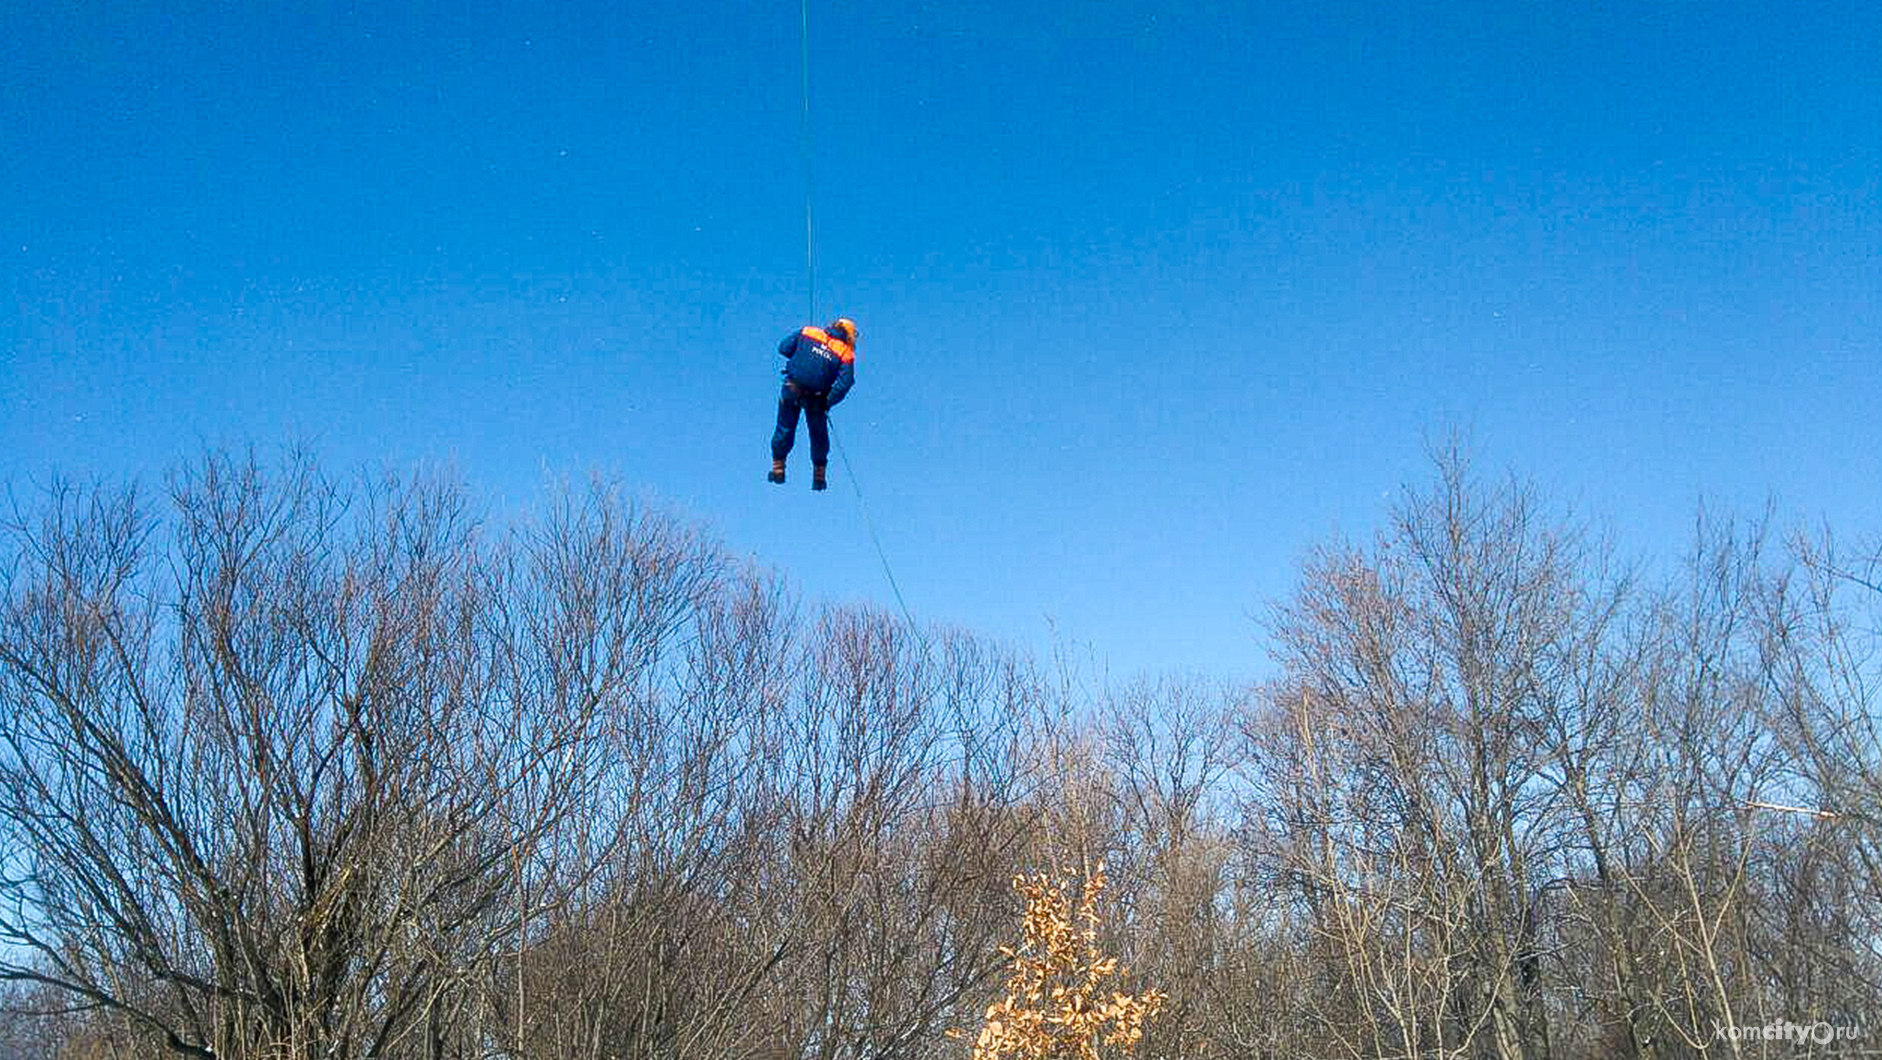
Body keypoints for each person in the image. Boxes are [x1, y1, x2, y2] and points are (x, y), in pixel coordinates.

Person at [769, 317, 858, 491]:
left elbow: (784, 348)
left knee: (784, 426)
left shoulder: (808, 331)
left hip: (792, 388)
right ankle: (819, 476)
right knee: (818, 435)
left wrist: (804, 355)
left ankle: (778, 468)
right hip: (816, 398)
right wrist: (828, 401)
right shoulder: (845, 352)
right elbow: (845, 383)